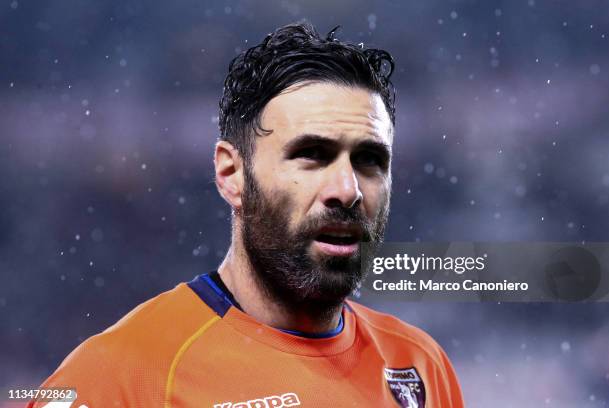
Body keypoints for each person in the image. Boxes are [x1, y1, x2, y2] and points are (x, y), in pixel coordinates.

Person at [30, 22, 463, 408]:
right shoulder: (121, 378)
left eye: (370, 160)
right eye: (311, 155)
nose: (347, 190)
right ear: (231, 174)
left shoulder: (419, 366)